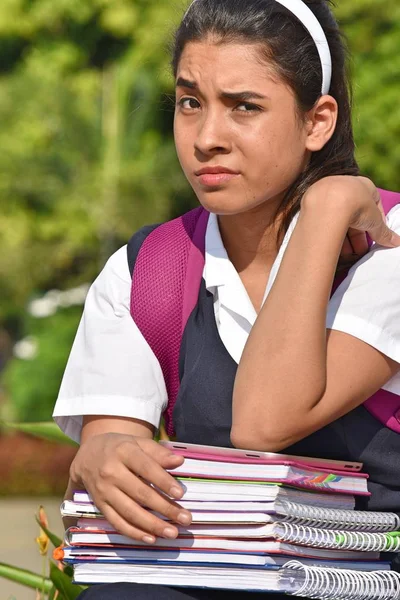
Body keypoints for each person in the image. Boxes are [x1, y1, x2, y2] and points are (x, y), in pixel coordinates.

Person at [53, 0, 400, 598]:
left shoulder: (388, 249)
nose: (207, 138)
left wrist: (324, 210)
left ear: (317, 122)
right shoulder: (146, 272)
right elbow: (114, 455)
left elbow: (265, 421)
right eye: (191, 102)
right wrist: (103, 457)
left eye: (245, 107)